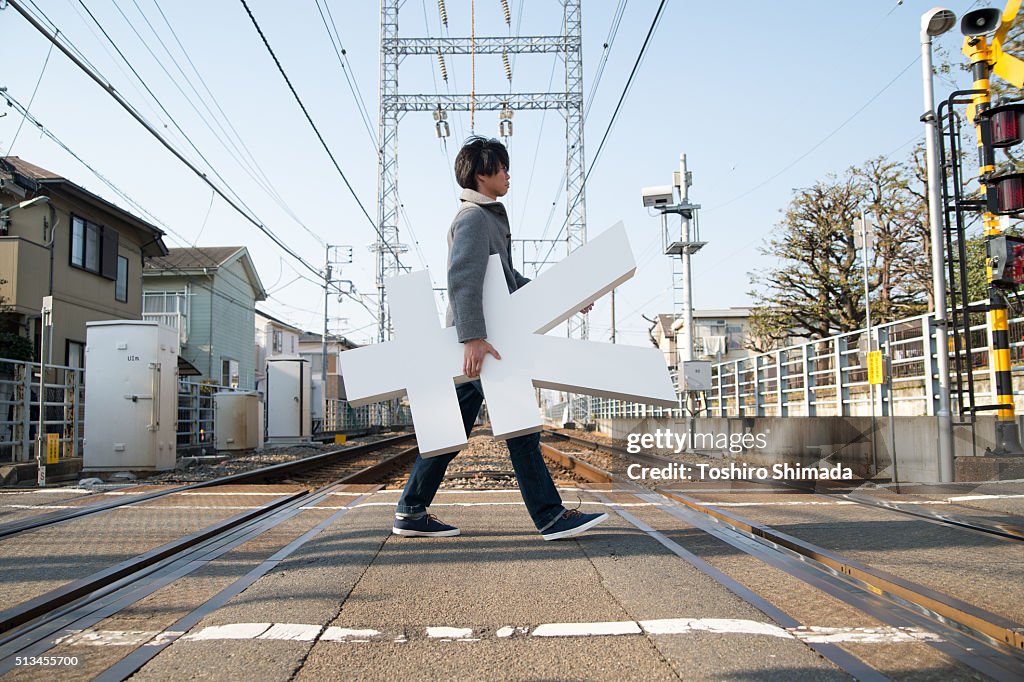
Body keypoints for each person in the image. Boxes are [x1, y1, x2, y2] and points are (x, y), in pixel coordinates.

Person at [392, 135, 608, 541]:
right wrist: (472, 337)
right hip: (484, 345)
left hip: (485, 342)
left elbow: (508, 281)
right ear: (481, 173)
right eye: (502, 167)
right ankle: (549, 515)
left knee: (450, 428)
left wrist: (567, 298)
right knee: (521, 428)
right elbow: (462, 279)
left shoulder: (486, 217)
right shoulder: (473, 218)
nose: (509, 174)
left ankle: (411, 509)